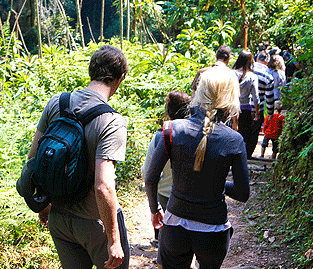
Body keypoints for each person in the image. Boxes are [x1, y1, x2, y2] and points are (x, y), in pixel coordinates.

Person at [26, 45, 130, 269]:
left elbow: (33, 162)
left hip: (60, 219)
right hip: (95, 224)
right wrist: (114, 241)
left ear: (90, 71)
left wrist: (44, 206)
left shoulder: (57, 103)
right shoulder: (112, 121)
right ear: (119, 78)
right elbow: (103, 186)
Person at [145, 67, 251, 269]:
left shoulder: (172, 129)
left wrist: (154, 208)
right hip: (213, 232)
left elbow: (151, 178)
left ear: (199, 92)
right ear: (230, 98)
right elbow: (242, 193)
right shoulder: (234, 140)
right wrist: (218, 183)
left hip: (175, 226)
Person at [141, 90, 191, 247]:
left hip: (164, 192)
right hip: (189, 192)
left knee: (168, 225)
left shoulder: (160, 136)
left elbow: (147, 171)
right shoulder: (196, 134)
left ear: (168, 111)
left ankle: (163, 245)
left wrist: (153, 205)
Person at [233, 50, 261, 158]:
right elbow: (256, 97)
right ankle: (241, 157)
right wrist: (257, 113)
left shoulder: (232, 73)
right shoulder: (252, 77)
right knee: (244, 135)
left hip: (232, 108)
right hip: (245, 109)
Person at [252, 50, 276, 115]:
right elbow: (269, 98)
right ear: (267, 62)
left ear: (257, 59)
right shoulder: (268, 77)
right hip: (258, 110)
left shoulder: (246, 71)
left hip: (242, 107)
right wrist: (270, 113)